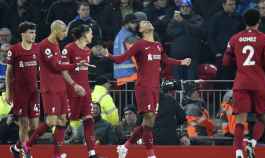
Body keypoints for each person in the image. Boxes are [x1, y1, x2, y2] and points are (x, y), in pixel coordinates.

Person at [101, 20, 191, 158]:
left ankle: (125, 146)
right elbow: (121, 58)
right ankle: (150, 154)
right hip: (143, 87)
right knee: (148, 118)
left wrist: (181, 62)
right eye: (144, 22)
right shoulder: (139, 44)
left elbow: (165, 59)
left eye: (148, 21)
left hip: (155, 87)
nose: (148, 22)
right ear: (141, 30)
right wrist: (109, 55)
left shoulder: (158, 45)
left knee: (149, 122)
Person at [22, 20, 85, 158]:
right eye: (63, 31)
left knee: (62, 120)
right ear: (55, 30)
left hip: (60, 87)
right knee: (51, 121)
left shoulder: (57, 44)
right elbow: (56, 66)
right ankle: (26, 145)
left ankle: (57, 154)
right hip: (49, 88)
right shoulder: (45, 45)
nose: (65, 34)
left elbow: (60, 66)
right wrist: (74, 65)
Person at [223, 9, 265, 158]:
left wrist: (239, 62)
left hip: (241, 83)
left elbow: (225, 62)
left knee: (240, 119)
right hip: (259, 83)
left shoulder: (235, 38)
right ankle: (252, 143)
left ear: (245, 22)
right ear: (259, 21)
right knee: (262, 117)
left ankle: (239, 152)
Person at [61, 24, 103, 158]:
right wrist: (74, 85)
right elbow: (63, 70)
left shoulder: (87, 51)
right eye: (90, 33)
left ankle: (92, 153)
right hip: (71, 91)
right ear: (84, 34)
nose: (92, 35)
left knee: (89, 119)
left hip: (84, 92)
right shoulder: (69, 49)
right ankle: (56, 151)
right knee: (62, 121)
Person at [5, 21, 40, 158]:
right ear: (23, 34)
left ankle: (16, 147)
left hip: (34, 92)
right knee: (24, 125)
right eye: (31, 32)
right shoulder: (14, 50)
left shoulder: (37, 48)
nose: (33, 35)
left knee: (34, 127)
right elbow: (9, 72)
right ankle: (26, 153)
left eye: (34, 32)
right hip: (20, 93)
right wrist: (9, 92)